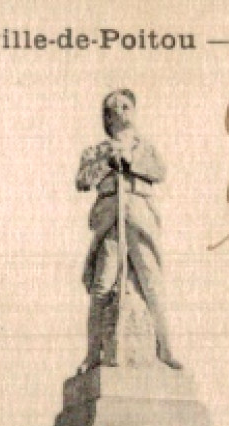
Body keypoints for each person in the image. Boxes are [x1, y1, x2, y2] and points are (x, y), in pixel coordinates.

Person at [77, 89, 179, 369]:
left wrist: (131, 162)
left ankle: (166, 350)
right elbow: (82, 180)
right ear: (107, 118)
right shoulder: (97, 151)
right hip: (110, 218)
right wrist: (106, 164)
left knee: (151, 283)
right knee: (101, 286)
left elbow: (159, 171)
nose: (122, 112)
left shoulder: (144, 148)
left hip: (139, 215)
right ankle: (92, 353)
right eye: (115, 108)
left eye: (126, 106)